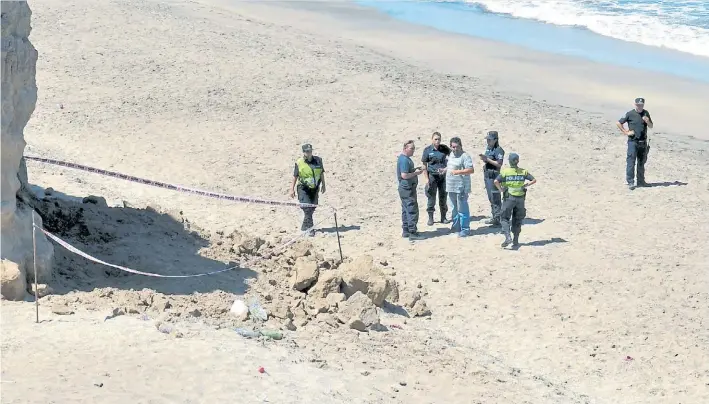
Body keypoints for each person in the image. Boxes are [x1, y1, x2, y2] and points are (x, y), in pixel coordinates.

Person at [495, 153, 536, 248]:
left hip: (509, 198)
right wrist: (526, 185)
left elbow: (496, 181)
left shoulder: (506, 172)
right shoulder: (523, 172)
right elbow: (533, 180)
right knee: (517, 219)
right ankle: (516, 240)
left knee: (504, 218)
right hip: (520, 199)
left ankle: (508, 237)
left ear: (509, 161)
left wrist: (501, 189)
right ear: (518, 161)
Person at [439, 137, 474, 237]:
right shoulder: (451, 155)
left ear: (460, 146)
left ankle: (465, 229)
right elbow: (450, 167)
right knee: (454, 208)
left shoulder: (465, 156)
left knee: (462, 209)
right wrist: (444, 170)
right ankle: (456, 227)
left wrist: (458, 172)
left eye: (456, 147)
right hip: (451, 186)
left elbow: (471, 170)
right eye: (453, 147)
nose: (454, 149)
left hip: (461, 187)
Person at [617, 97, 653, 190]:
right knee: (631, 162)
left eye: (641, 105)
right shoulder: (630, 114)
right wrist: (626, 132)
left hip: (643, 142)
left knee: (641, 162)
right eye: (638, 105)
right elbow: (618, 123)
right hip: (633, 142)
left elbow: (651, 126)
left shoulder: (646, 113)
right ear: (635, 104)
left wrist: (647, 121)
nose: (640, 106)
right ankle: (630, 182)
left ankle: (641, 181)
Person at [289, 143, 326, 236]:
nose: (309, 153)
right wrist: (291, 189)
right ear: (303, 152)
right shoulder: (299, 162)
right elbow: (295, 176)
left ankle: (304, 225)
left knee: (313, 207)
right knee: (307, 208)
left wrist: (324, 185)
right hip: (303, 188)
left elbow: (321, 173)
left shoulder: (318, 160)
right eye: (307, 151)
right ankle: (310, 229)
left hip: (315, 188)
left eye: (310, 151)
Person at [421, 131, 451, 226]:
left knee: (443, 197)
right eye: (436, 139)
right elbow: (424, 165)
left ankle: (443, 217)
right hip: (432, 176)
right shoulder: (427, 150)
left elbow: (452, 157)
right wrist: (426, 179)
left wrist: (446, 168)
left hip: (443, 177)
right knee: (431, 197)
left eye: (439, 139)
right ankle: (431, 218)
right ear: (432, 140)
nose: (437, 141)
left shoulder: (444, 148)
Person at [397, 140, 425, 241]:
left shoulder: (405, 159)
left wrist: (415, 169)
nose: (413, 151)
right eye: (411, 148)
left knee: (405, 209)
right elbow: (404, 175)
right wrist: (416, 173)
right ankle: (413, 232)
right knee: (412, 209)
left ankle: (406, 231)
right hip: (407, 188)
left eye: (414, 148)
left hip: (406, 188)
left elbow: (407, 172)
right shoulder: (404, 160)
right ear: (405, 148)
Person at [479, 130, 505, 226]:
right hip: (487, 175)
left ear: (495, 140)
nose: (488, 141)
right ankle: (495, 217)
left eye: (490, 140)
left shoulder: (499, 150)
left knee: (495, 197)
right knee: (491, 197)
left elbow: (499, 164)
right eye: (487, 139)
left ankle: (498, 219)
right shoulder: (489, 148)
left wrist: (487, 159)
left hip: (494, 175)